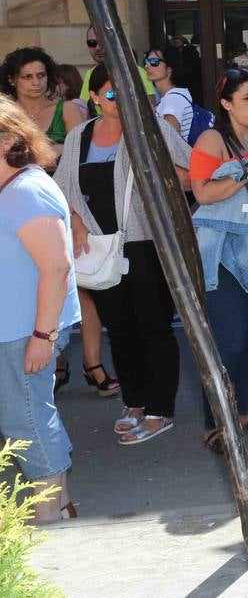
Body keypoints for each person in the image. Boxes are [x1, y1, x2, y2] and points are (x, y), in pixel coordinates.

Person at [55, 64, 192, 446]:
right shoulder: (79, 136)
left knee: (154, 326)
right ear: (95, 97)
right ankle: (134, 400)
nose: (120, 101)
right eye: (112, 95)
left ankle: (159, 408)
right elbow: (62, 189)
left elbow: (189, 168)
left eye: (127, 92)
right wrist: (78, 222)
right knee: (120, 328)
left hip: (147, 243)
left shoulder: (150, 128)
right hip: (98, 247)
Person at [189, 69, 248, 453]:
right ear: (226, 103)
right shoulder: (212, 138)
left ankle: (246, 410)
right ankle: (216, 422)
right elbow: (203, 193)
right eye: (246, 97)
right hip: (221, 252)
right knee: (230, 339)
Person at [0, 97, 81, 521]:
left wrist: (42, 337)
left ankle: (48, 515)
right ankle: (59, 506)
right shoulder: (14, 187)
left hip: (24, 332)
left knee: (26, 423)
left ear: (10, 139)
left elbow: (57, 266)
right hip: (17, 330)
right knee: (29, 417)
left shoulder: (26, 190)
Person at [2, 47, 85, 164]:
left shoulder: (68, 109)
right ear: (11, 80)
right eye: (27, 77)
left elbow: (82, 151)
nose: (36, 83)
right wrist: (57, 149)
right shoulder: (5, 115)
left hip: (61, 180)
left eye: (41, 75)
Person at [78, 26, 155, 114]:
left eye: (102, 42)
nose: (97, 48)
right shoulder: (89, 74)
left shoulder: (136, 72)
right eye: (92, 43)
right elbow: (83, 111)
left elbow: (149, 111)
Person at [144, 43, 203, 145]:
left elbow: (171, 144)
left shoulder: (173, 99)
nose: (147, 66)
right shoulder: (176, 95)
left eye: (154, 62)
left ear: (169, 68)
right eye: (146, 61)